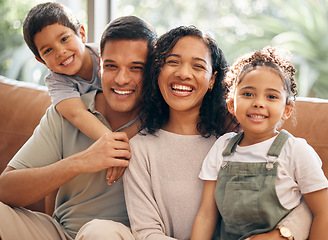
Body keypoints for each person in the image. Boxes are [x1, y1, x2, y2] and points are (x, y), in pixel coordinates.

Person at [123, 27, 312, 240]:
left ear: (212, 79)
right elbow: (146, 232)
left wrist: (282, 234)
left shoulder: (235, 141)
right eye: (173, 62)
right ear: (157, 70)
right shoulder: (139, 148)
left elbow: (306, 201)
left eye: (197, 65)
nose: (184, 73)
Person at [0, 15, 156, 239]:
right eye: (111, 66)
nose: (122, 79)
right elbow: (4, 189)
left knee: (99, 233)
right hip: (58, 233)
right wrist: (80, 162)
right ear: (100, 65)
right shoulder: (64, 111)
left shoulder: (165, 118)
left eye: (136, 67)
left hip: (117, 235)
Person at [191, 47, 328, 240]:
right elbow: (206, 214)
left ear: (287, 110)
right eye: (248, 94)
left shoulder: (296, 151)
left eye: (271, 96)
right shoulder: (222, 147)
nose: (259, 103)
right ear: (231, 104)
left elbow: (323, 213)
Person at [23, 2, 112, 145]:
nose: (60, 52)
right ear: (41, 61)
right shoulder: (56, 81)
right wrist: (113, 141)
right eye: (48, 50)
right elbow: (77, 114)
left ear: (82, 34)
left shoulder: (106, 54)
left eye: (64, 39)